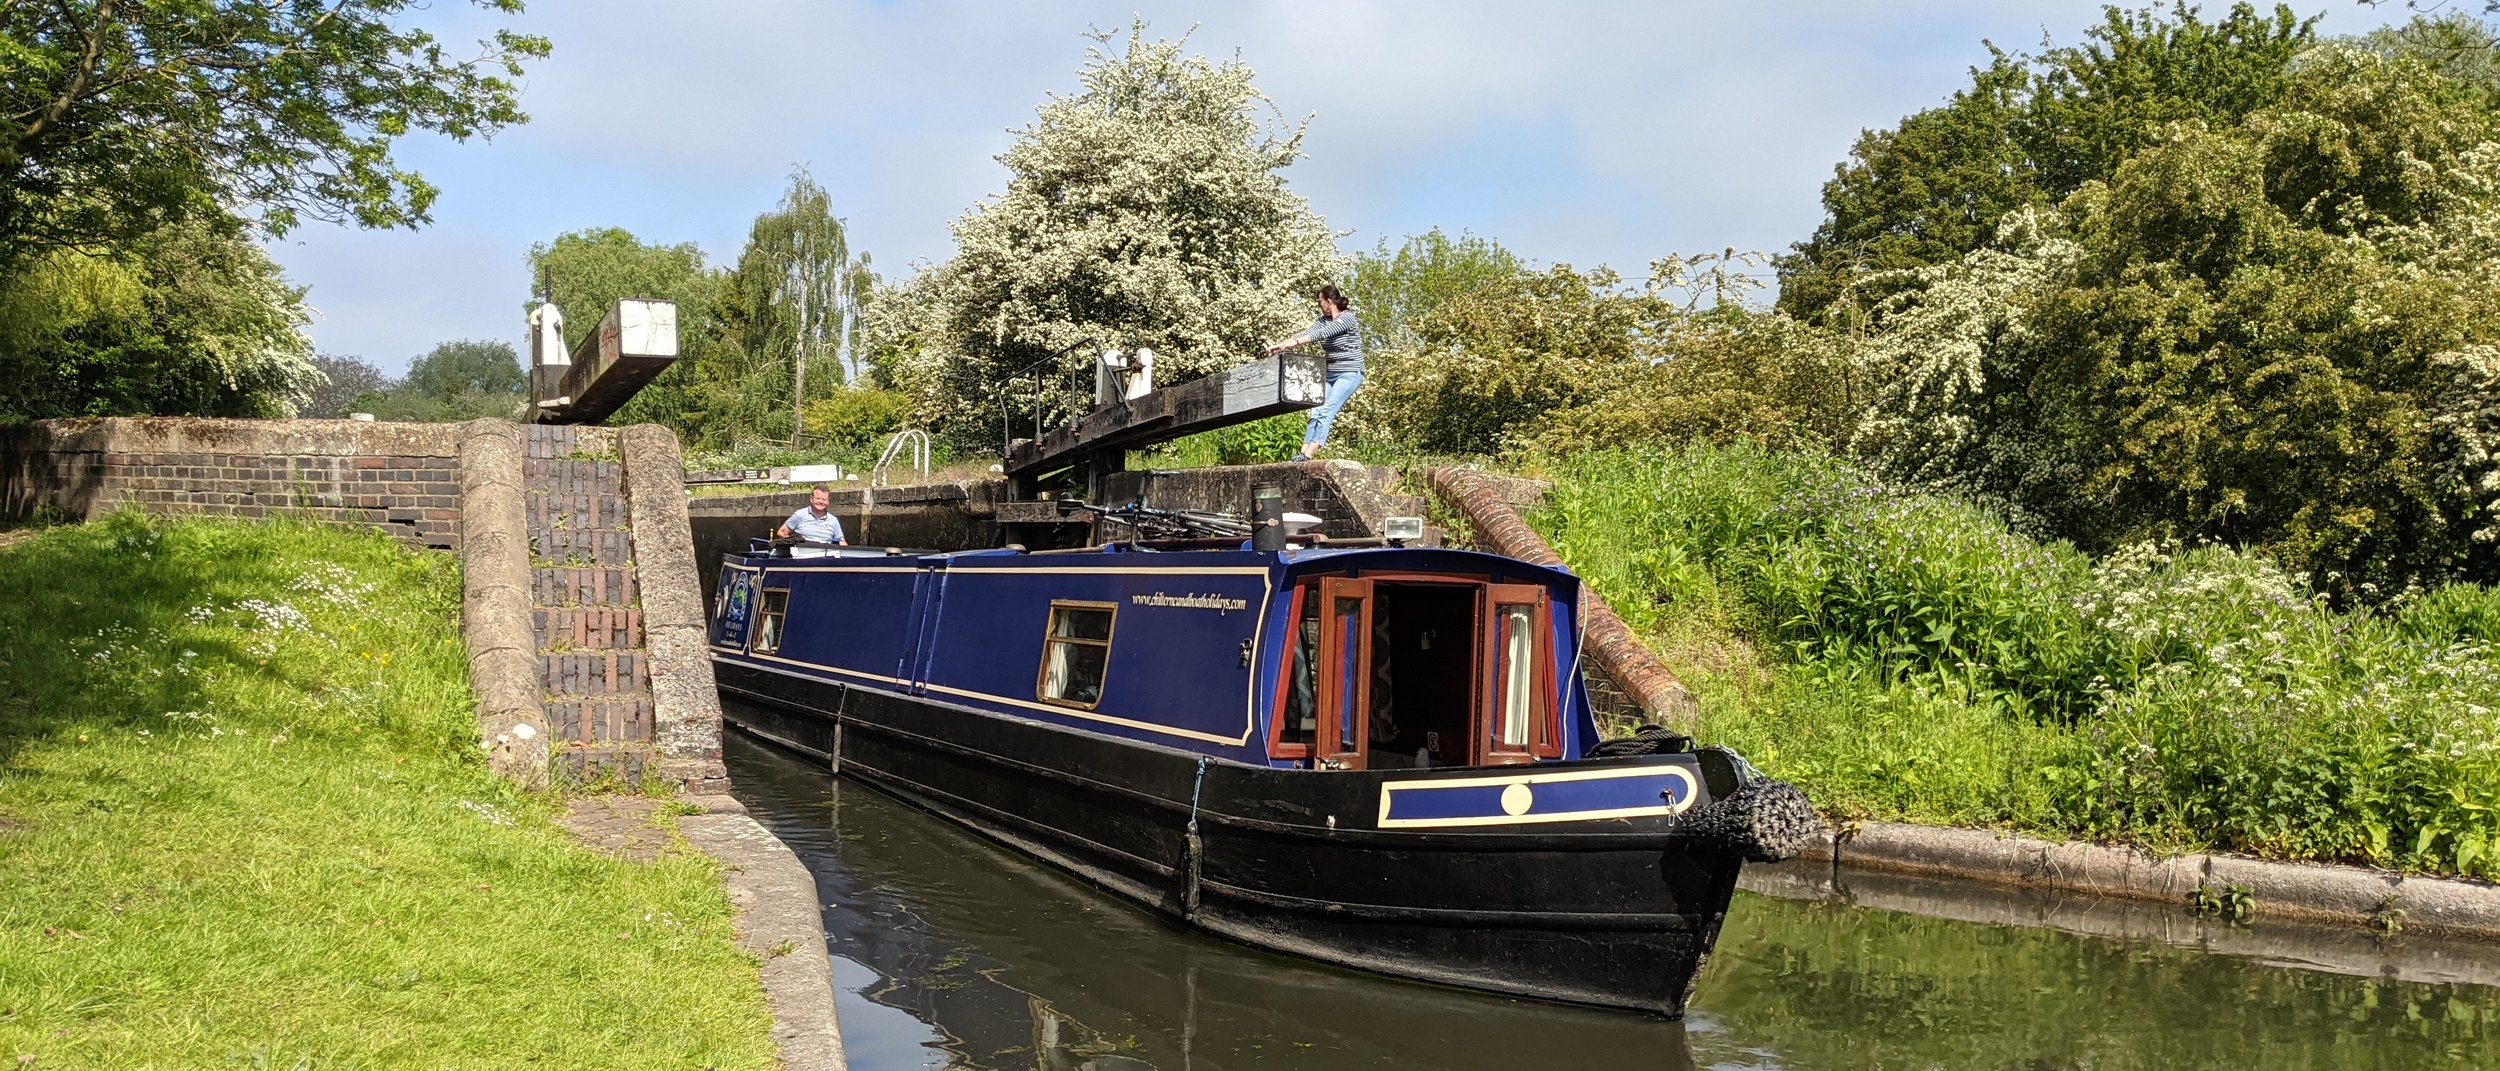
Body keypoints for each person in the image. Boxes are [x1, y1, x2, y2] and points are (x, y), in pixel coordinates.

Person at [1265, 283, 1363, 462]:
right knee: (1315, 410)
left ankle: (1308, 454)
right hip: (1330, 374)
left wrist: (1293, 344)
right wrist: (1281, 344)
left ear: (1329, 301)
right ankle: (1302, 454)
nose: (1319, 306)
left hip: (1349, 373)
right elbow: (1307, 332)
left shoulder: (1347, 318)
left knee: (1327, 409)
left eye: (1320, 302)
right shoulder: (1322, 320)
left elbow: (1324, 333)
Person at [776, 485, 848, 545]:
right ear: (811, 499)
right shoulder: (800, 515)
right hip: (801, 556)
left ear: (828, 501)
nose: (821, 502)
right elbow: (782, 532)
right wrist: (793, 544)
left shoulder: (833, 520)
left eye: (824, 499)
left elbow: (842, 542)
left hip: (826, 557)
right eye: (818, 498)